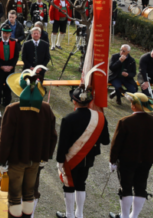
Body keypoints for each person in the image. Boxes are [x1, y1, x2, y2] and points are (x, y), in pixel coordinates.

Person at [0, 71, 57, 218]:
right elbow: (53, 136)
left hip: (16, 160)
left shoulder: (12, 109)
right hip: (36, 160)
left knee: (14, 196)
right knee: (29, 194)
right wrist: (46, 156)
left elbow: (5, 139)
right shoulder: (46, 108)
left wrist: (1, 161)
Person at [56, 85, 110, 218]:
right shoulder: (100, 117)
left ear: (74, 101)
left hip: (71, 158)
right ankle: (79, 214)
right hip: (89, 157)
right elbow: (105, 141)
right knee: (81, 184)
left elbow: (63, 144)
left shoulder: (68, 119)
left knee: (69, 185)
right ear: (90, 101)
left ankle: (69, 215)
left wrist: (59, 160)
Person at [108, 93, 153, 218]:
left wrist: (112, 161)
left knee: (126, 188)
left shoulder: (125, 122)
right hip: (147, 161)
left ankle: (124, 216)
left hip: (126, 161)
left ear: (133, 106)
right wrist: (150, 156)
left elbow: (116, 144)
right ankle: (134, 216)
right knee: (140, 187)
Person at [0, 26, 21, 107]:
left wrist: (11, 66)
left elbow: (16, 56)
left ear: (10, 34)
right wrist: (1, 66)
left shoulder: (14, 42)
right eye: (3, 33)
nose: (5, 34)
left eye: (7, 33)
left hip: (10, 68)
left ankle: (7, 102)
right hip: (0, 67)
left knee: (9, 85)